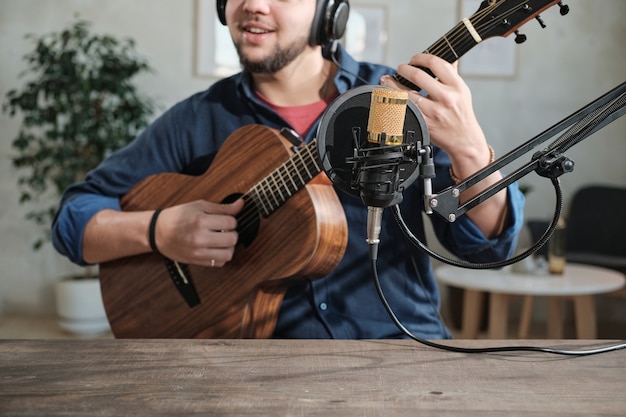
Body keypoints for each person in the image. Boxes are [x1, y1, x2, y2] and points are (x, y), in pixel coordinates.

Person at [51, 0, 524, 339]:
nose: (254, 6)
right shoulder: (196, 120)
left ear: (328, 12)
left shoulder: (392, 102)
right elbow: (74, 222)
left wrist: (470, 152)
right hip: (255, 366)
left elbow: (486, 247)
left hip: (398, 352)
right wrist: (160, 230)